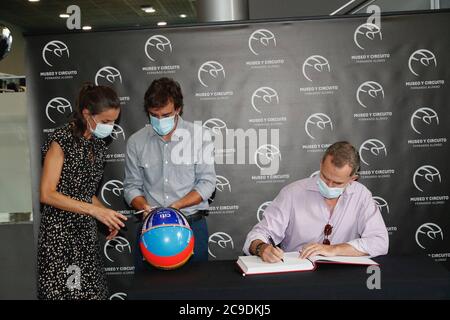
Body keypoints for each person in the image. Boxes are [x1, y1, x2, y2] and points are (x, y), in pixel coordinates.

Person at [38, 83, 127, 299]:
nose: (110, 127)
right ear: (87, 113)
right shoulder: (61, 140)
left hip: (85, 237)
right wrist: (94, 212)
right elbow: (47, 193)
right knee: (69, 294)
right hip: (60, 239)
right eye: (105, 121)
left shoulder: (98, 146)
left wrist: (106, 216)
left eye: (114, 122)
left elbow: (85, 192)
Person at [243, 141, 389, 262]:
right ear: (321, 165)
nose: (329, 185)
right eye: (325, 177)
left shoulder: (361, 195)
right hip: (298, 272)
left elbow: (380, 242)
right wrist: (262, 248)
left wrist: (334, 249)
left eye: (337, 183)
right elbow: (258, 235)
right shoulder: (292, 193)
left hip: (344, 275)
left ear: (352, 179)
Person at [124, 77, 216, 268]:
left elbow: (207, 183)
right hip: (150, 230)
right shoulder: (136, 141)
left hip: (191, 226)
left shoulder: (200, 136)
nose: (159, 120)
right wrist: (144, 206)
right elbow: (131, 186)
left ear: (178, 109)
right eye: (153, 115)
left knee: (195, 288)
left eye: (165, 115)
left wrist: (176, 206)